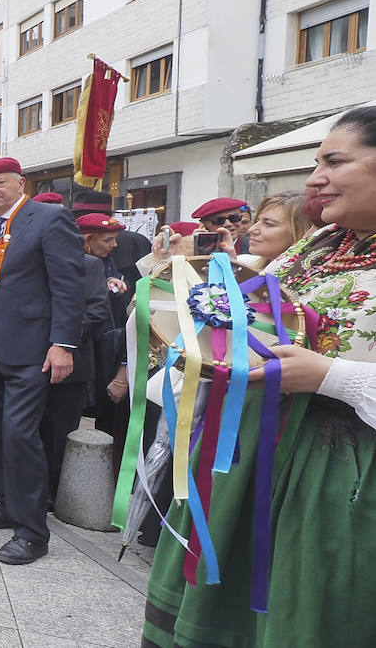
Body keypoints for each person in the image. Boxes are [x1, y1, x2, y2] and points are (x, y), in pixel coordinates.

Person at [141, 106, 376, 648]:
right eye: (315, 162)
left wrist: (331, 377)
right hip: (247, 453)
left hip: (336, 477)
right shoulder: (322, 243)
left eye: (334, 162)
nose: (315, 178)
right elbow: (247, 315)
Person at [0, 158, 84, 565]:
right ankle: (7, 506)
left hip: (32, 348)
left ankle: (32, 532)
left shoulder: (50, 219)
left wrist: (63, 343)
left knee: (19, 435)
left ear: (21, 183)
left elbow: (68, 285)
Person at [37, 214, 113, 505]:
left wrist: (59, 339)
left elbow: (96, 312)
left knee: (60, 431)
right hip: (28, 362)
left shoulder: (89, 265)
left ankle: (55, 491)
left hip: (71, 364)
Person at [243, 189, 310, 262]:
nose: (251, 230)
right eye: (257, 221)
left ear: (300, 232)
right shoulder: (245, 262)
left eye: (268, 224)